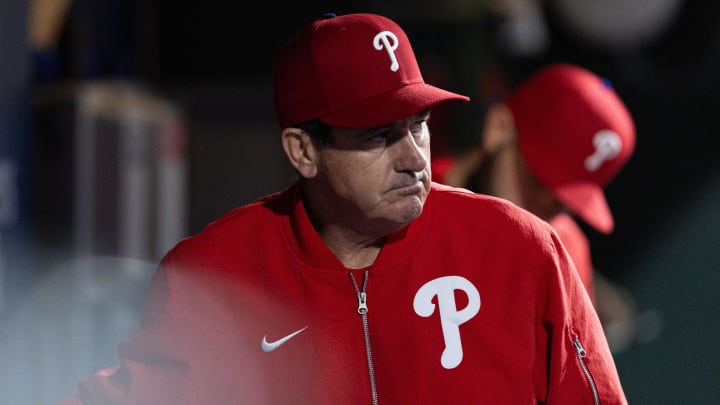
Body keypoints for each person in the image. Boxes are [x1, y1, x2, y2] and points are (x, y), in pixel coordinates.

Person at [59, 14, 627, 404]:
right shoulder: (211, 274)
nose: (413, 159)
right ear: (303, 150)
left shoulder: (520, 247)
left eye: (419, 126)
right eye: (380, 136)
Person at [436, 63, 637, 349]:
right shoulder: (403, 205)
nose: (541, 213)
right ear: (499, 129)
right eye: (538, 185)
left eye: (562, 205)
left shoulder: (567, 251)